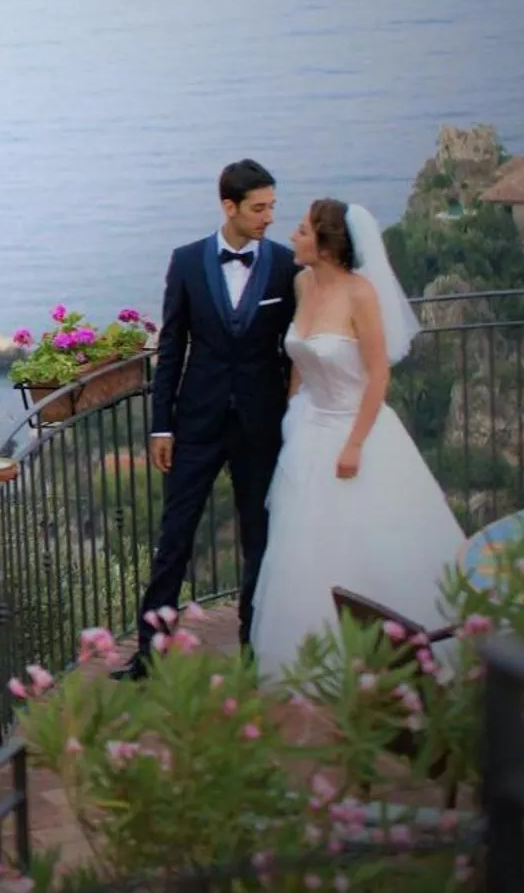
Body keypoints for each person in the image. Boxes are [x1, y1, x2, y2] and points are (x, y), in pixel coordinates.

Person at [246, 199, 465, 671]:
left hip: (356, 429)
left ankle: (392, 653)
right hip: (308, 430)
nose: (293, 237)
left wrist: (354, 445)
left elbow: (378, 376)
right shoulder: (303, 283)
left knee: (369, 543)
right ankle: (316, 658)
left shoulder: (361, 295)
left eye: (303, 231)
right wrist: (292, 411)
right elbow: (301, 359)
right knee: (306, 550)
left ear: (326, 246)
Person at [114, 159, 299, 680]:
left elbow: (293, 353)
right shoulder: (188, 261)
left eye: (271, 207)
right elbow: (171, 348)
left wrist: (292, 419)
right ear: (228, 206)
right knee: (174, 538)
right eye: (258, 208)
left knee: (258, 539)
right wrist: (162, 426)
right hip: (196, 424)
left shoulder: (286, 267)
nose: (268, 217)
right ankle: (149, 653)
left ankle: (254, 648)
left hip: (261, 427)